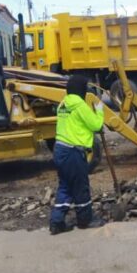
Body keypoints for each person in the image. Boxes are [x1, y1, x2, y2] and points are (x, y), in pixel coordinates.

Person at [49, 75, 106, 235]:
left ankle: (56, 222)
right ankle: (85, 220)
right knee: (81, 186)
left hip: (59, 150)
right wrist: (100, 111)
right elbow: (96, 125)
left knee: (65, 187)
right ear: (81, 90)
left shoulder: (63, 104)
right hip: (73, 152)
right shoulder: (79, 105)